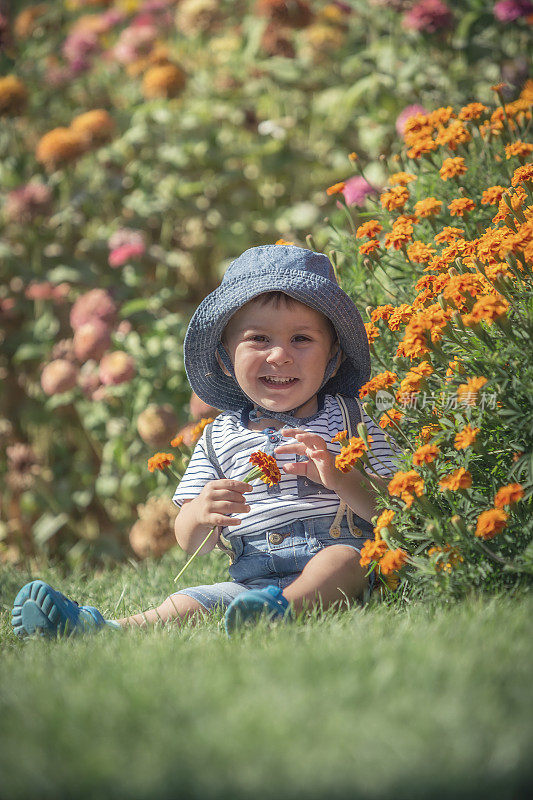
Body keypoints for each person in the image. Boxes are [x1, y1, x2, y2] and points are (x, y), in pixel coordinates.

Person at [11, 245, 401, 639]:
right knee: (186, 602)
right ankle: (103, 628)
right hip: (250, 583)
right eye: (259, 339)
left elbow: (391, 506)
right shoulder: (218, 436)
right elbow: (187, 538)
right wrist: (200, 511)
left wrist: (340, 478)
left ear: (332, 356)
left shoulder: (350, 419)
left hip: (340, 558)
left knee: (338, 562)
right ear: (225, 359)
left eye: (301, 338)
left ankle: (284, 611)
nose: (280, 355)